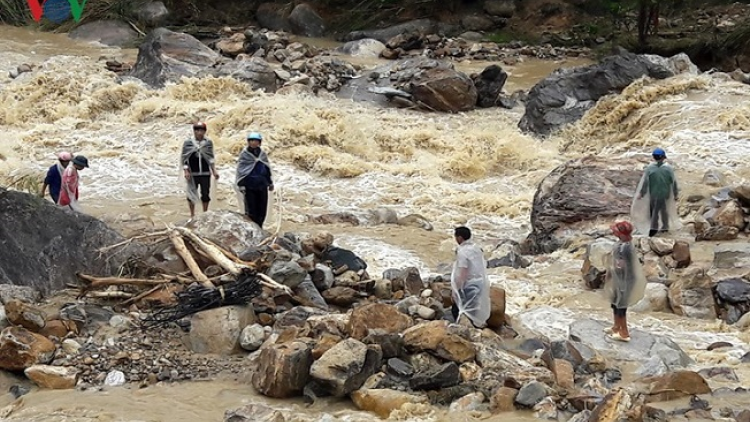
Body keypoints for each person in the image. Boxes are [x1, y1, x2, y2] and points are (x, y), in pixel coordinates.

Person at [603, 221, 646, 342]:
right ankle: (616, 326)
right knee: (615, 303)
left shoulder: (626, 248)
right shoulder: (621, 244)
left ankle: (624, 332)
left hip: (625, 280)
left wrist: (613, 267)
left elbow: (622, 266)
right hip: (619, 279)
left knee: (621, 305)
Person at [631, 147, 681, 237]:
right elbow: (673, 182)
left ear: (654, 157)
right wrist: (675, 194)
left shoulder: (650, 168)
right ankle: (665, 227)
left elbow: (645, 182)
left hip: (653, 194)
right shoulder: (668, 169)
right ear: (663, 158)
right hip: (665, 194)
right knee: (664, 210)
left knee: (654, 211)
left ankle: (654, 229)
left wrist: (641, 193)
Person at [450, 226, 491, 328]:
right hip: (479, 282)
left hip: (469, 284)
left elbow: (463, 271)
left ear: (460, 238)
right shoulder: (476, 248)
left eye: (456, 237)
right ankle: (475, 327)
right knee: (473, 307)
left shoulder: (462, 252)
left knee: (458, 308)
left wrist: (457, 289)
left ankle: (463, 329)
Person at [235, 132, 274, 227]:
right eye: (251, 140)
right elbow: (241, 171)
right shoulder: (244, 154)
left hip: (262, 185)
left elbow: (266, 168)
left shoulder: (262, 154)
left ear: (259, 142)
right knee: (251, 211)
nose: (253, 143)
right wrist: (241, 185)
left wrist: (270, 182)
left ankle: (259, 228)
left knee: (262, 211)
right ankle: (252, 230)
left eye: (256, 141)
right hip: (249, 186)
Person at [181, 122, 219, 218]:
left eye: (201, 130)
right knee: (191, 194)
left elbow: (210, 157)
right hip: (192, 172)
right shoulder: (188, 143)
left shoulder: (208, 142)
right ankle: (192, 214)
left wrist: (214, 170)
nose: (199, 132)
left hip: (205, 172)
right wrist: (186, 171)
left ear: (204, 131)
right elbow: (184, 158)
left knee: (205, 193)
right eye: (197, 130)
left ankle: (205, 213)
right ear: (194, 131)